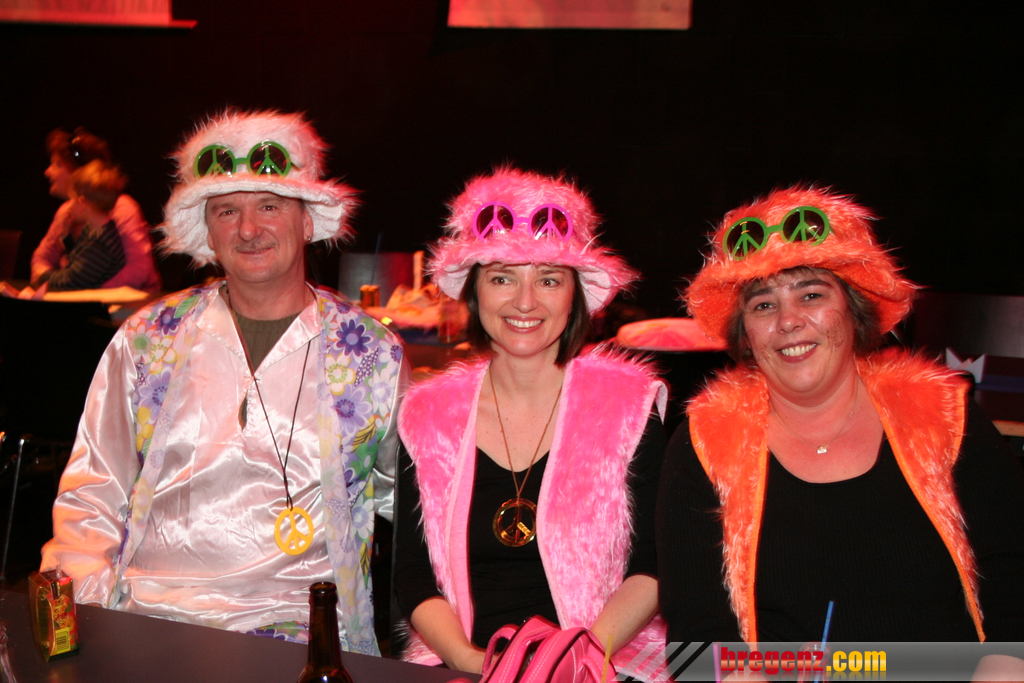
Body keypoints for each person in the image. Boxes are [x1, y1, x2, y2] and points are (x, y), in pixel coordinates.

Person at [41, 110, 405, 655]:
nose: (248, 229)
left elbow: (416, 503)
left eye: (269, 205)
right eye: (227, 211)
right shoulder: (147, 339)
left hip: (302, 635)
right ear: (207, 233)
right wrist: (91, 626)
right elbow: (92, 495)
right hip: (151, 620)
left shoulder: (372, 355)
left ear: (308, 221)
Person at [657, 187, 1024, 661]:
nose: (788, 321)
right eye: (763, 305)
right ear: (745, 334)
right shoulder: (704, 442)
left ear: (855, 308)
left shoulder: (945, 417)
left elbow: (1013, 576)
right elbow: (693, 636)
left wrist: (1003, 665)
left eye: (811, 294)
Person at [395, 167, 667, 679]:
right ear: (474, 292)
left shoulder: (628, 407)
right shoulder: (427, 414)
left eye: (548, 280)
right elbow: (411, 575)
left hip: (603, 663)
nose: (525, 302)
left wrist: (573, 660)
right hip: (465, 665)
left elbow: (653, 565)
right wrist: (472, 661)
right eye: (502, 278)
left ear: (575, 294)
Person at [32, 127, 161, 294]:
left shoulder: (122, 208)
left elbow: (139, 270)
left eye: (58, 165)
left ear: (83, 172)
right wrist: (46, 279)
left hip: (129, 303)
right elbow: (42, 259)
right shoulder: (66, 212)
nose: (48, 172)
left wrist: (89, 294)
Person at [33, 160, 127, 291]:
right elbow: (79, 262)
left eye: (72, 199)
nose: (70, 206)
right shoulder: (94, 231)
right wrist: (67, 239)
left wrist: (43, 276)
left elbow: (73, 280)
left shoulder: (101, 242)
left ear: (82, 203)